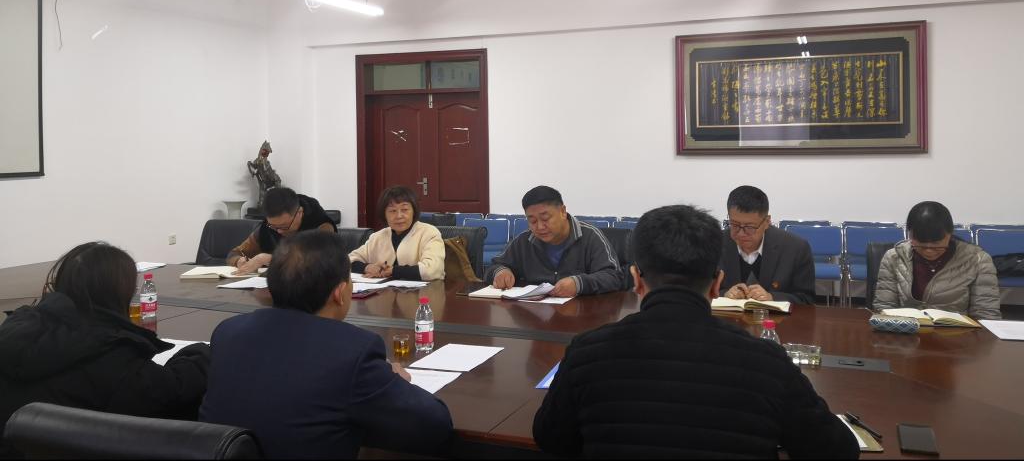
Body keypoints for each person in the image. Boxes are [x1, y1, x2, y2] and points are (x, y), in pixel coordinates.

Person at [533, 205, 859, 459]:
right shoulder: (768, 361)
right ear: (717, 283)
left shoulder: (586, 353)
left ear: (636, 279)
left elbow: (551, 439)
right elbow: (836, 450)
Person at [200, 231, 453, 459]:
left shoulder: (228, 333)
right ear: (339, 293)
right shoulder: (352, 351)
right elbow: (435, 425)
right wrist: (391, 380)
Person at [0, 243, 210, 457]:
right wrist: (204, 351)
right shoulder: (110, 353)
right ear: (118, 294)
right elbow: (174, 390)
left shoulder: (16, 331)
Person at [485, 186, 626, 297]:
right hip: (535, 315)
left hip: (583, 314)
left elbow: (614, 277)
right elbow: (494, 266)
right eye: (532, 221)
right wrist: (500, 272)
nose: (540, 227)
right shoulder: (524, 241)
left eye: (545, 218)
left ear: (563, 212)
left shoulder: (590, 236)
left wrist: (579, 284)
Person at [874, 201, 1001, 319]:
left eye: (936, 244)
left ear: (949, 234)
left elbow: (986, 315)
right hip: (907, 330)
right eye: (921, 244)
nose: (928, 251)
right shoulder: (894, 257)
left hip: (957, 332)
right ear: (910, 234)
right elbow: (885, 308)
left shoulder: (977, 260)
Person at [720, 185, 816, 303]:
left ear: (767, 222)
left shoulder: (796, 248)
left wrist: (772, 297)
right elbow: (702, 291)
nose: (741, 233)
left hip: (777, 315)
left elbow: (807, 299)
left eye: (750, 227)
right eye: (734, 225)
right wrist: (724, 294)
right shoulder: (714, 243)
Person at [227, 186, 337, 273]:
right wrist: (239, 261)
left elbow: (316, 261)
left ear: (299, 213)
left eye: (284, 226)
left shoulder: (322, 226)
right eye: (273, 226)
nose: (279, 231)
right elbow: (234, 254)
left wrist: (267, 259)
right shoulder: (266, 228)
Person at [349, 186, 445, 281]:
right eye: (392, 211)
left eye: (405, 210)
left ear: (414, 211)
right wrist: (367, 267)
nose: (399, 216)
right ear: (384, 214)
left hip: (424, 290)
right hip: (382, 290)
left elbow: (432, 270)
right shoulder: (377, 237)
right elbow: (348, 261)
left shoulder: (429, 233)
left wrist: (393, 271)